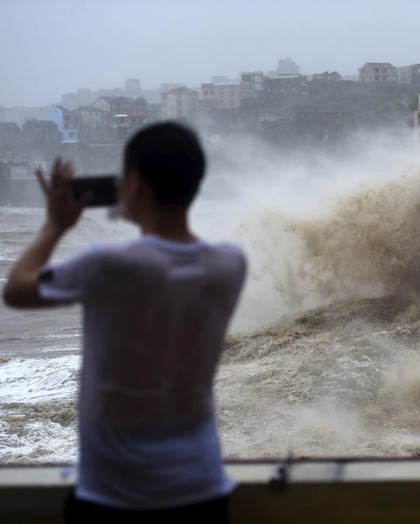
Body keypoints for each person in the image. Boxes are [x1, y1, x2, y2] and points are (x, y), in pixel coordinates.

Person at [2, 121, 247, 523]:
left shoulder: (108, 265)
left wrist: (54, 226)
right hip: (202, 492)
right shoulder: (228, 265)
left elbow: (16, 290)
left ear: (134, 185)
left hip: (114, 498)